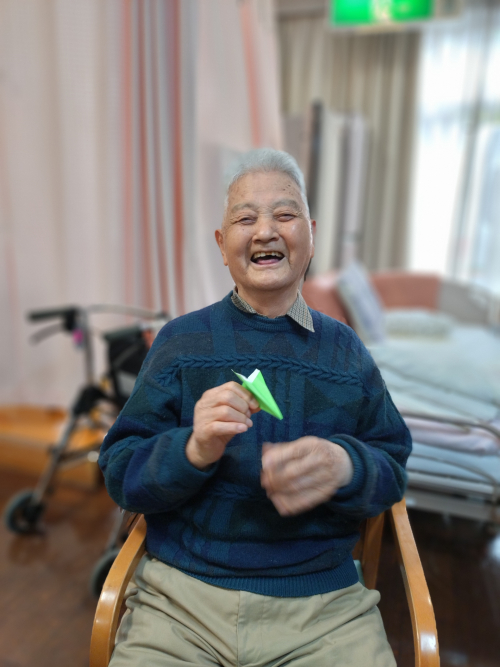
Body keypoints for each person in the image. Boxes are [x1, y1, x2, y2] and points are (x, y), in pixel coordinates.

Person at [99, 148, 411, 666]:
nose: (265, 231)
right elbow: (119, 471)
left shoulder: (346, 350)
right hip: (181, 602)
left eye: (284, 214)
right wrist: (193, 450)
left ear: (311, 236)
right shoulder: (181, 342)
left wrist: (345, 465)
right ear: (222, 245)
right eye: (245, 219)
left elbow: (392, 466)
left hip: (324, 610)